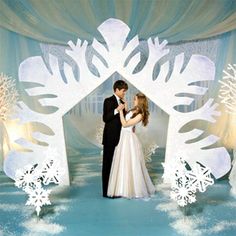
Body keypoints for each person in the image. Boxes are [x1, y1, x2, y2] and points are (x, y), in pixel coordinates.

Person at [107, 92, 156, 199]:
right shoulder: (134, 110)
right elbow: (127, 117)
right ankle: (121, 187)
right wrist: (124, 108)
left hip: (128, 138)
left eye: (135, 99)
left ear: (140, 101)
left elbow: (125, 124)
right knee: (122, 161)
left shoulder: (140, 114)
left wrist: (120, 111)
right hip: (123, 136)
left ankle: (132, 189)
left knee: (130, 162)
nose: (134, 100)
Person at [102, 80, 128, 198]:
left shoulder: (123, 102)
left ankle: (115, 190)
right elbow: (105, 118)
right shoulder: (108, 101)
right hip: (110, 138)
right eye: (123, 91)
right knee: (107, 165)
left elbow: (125, 121)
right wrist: (117, 109)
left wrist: (126, 109)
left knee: (117, 165)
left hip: (121, 138)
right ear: (117, 90)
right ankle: (106, 192)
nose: (124, 94)